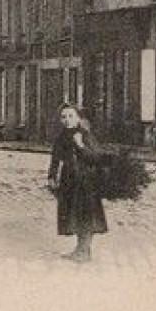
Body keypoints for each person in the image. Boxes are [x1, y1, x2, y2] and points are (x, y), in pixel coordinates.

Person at [48, 102, 110, 262]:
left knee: (86, 216)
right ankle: (80, 249)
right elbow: (55, 158)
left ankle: (84, 251)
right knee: (73, 215)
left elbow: (96, 158)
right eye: (63, 117)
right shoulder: (62, 136)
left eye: (70, 116)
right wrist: (52, 176)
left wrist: (81, 145)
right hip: (69, 180)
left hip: (86, 181)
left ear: (77, 118)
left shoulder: (85, 134)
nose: (67, 120)